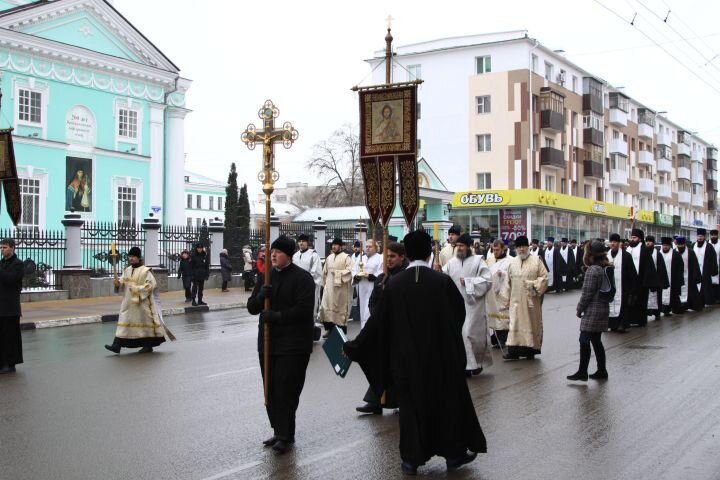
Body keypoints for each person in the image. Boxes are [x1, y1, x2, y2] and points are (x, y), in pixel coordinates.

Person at [344, 230, 486, 475]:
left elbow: (378, 323)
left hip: (406, 361)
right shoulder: (442, 282)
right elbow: (458, 315)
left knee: (410, 409)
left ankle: (411, 458)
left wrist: (353, 346)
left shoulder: (395, 285)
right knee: (445, 405)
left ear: (407, 254)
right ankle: (453, 455)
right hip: (440, 359)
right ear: (430, 252)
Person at [246, 235, 315, 454]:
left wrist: (276, 316)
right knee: (271, 390)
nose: (272, 255)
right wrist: (260, 297)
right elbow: (251, 307)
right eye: (271, 252)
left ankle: (285, 434)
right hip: (267, 343)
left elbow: (303, 310)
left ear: (289, 255)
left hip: (293, 344)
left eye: (278, 252)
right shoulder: (265, 276)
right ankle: (279, 430)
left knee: (286, 389)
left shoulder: (302, 279)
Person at [355, 241, 407, 415]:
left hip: (399, 330)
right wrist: (378, 314)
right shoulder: (381, 278)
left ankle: (403, 400)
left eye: (393, 256)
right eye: (387, 256)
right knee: (379, 365)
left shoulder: (404, 278)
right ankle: (375, 400)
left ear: (402, 257)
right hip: (382, 327)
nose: (389, 260)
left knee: (398, 367)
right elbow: (373, 300)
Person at [443, 233, 492, 376]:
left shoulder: (478, 261)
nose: (459, 248)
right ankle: (465, 365)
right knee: (460, 334)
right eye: (457, 246)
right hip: (455, 304)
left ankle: (475, 364)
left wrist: (470, 282)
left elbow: (487, 281)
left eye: (461, 246)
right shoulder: (452, 263)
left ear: (469, 246)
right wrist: (438, 272)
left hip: (473, 305)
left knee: (470, 333)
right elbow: (443, 278)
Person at [105, 247, 168, 354]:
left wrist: (137, 289)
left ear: (139, 258)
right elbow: (122, 283)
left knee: (144, 325)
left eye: (133, 256)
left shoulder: (145, 271)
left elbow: (150, 285)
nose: (131, 258)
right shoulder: (127, 270)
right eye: (130, 256)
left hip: (142, 303)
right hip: (128, 303)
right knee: (124, 322)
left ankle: (148, 346)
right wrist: (118, 284)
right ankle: (117, 345)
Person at [567, 240, 611, 381]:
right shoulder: (603, 267)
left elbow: (587, 293)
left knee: (584, 339)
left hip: (593, 310)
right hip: (602, 308)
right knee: (596, 341)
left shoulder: (592, 270)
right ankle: (601, 370)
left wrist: (579, 309)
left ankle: (582, 371)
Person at [499, 236, 548, 360]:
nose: (521, 249)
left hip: (531, 302)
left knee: (530, 325)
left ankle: (530, 351)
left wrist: (532, 285)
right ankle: (513, 352)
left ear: (528, 247)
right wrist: (506, 299)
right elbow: (507, 282)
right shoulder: (513, 263)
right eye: (519, 247)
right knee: (514, 325)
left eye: (523, 246)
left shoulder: (537, 261)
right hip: (515, 302)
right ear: (516, 248)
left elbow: (544, 278)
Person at [318, 238, 352, 336]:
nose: (333, 246)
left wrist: (338, 273)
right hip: (329, 288)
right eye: (332, 245)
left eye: (336, 245)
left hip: (340, 290)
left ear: (341, 246)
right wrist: (322, 284)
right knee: (325, 308)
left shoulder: (346, 257)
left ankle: (340, 333)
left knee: (339, 311)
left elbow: (349, 271)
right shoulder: (329, 257)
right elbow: (325, 272)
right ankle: (330, 330)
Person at [625, 228, 659, 327]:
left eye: (634, 238)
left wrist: (647, 282)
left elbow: (649, 268)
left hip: (641, 282)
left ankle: (640, 321)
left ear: (639, 239)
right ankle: (629, 320)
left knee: (640, 302)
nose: (632, 239)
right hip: (629, 282)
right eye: (631, 237)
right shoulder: (628, 249)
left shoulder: (644, 250)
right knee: (629, 302)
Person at [0, 238, 24, 374]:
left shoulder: (18, 264)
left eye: (5, 247)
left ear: (12, 248)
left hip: (10, 308)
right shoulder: (2, 264)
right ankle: (2, 362)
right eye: (1, 248)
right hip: (1, 307)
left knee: (10, 338)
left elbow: (11, 280)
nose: (2, 250)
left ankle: (10, 364)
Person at [607, 233, 637, 333]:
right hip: (610, 286)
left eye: (615, 242)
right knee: (610, 304)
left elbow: (632, 273)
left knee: (623, 306)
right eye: (611, 242)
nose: (613, 244)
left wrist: (632, 288)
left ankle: (621, 324)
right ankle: (611, 324)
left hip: (623, 286)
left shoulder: (626, 256)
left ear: (619, 243)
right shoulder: (606, 256)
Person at [486, 240, 512, 349]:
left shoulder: (510, 261)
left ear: (503, 249)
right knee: (494, 316)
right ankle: (496, 337)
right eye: (493, 250)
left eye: (497, 250)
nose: (495, 252)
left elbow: (512, 275)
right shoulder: (490, 259)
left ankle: (503, 339)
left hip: (504, 293)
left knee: (504, 318)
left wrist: (503, 274)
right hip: (492, 293)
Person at [292, 234, 323, 320]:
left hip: (309, 286)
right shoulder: (295, 255)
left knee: (310, 308)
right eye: (300, 241)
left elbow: (316, 271)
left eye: (303, 241)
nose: (301, 243)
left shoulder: (313, 255)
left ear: (307, 243)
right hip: (296, 287)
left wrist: (305, 281)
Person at [356, 239, 383, 329]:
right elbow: (354, 270)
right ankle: (363, 330)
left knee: (370, 310)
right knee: (363, 310)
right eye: (366, 247)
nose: (367, 248)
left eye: (370, 247)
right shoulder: (361, 258)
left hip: (372, 287)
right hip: (362, 287)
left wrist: (370, 276)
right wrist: (357, 276)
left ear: (375, 248)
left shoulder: (380, 258)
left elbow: (381, 273)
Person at [674, 236, 704, 312]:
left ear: (684, 244)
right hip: (678, 276)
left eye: (682, 245)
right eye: (679, 245)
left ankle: (690, 305)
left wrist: (696, 276)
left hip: (689, 276)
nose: (680, 247)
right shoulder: (674, 252)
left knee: (691, 293)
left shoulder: (690, 252)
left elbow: (695, 265)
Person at [644, 236, 669, 321]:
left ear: (653, 243)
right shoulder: (643, 252)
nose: (648, 243)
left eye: (650, 241)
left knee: (657, 298)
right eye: (646, 241)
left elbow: (661, 268)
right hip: (645, 280)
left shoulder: (657, 254)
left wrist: (660, 281)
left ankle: (657, 313)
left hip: (656, 280)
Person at [692, 228, 719, 306]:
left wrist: (713, 270)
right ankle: (697, 301)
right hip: (695, 270)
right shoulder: (693, 245)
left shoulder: (709, 247)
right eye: (698, 236)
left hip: (705, 270)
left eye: (701, 236)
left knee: (705, 287)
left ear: (704, 237)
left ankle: (705, 301)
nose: (700, 238)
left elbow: (713, 259)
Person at [659, 237, 684, 316]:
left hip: (673, 279)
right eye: (663, 245)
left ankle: (675, 309)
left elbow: (680, 267)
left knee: (673, 295)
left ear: (670, 246)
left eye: (667, 245)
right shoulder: (658, 254)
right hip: (661, 278)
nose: (665, 247)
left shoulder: (675, 254)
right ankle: (664, 310)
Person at [349, 240, 367, 322]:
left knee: (360, 297)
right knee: (353, 297)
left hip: (360, 279)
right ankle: (354, 315)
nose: (356, 248)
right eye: (355, 247)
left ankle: (360, 315)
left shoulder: (364, 256)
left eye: (358, 247)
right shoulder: (353, 256)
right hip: (353, 278)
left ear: (361, 247)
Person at [710, 229, 720, 303]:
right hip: (710, 267)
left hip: (719, 266)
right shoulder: (708, 244)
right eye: (712, 235)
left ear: (717, 235)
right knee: (711, 283)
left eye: (715, 235)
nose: (713, 236)